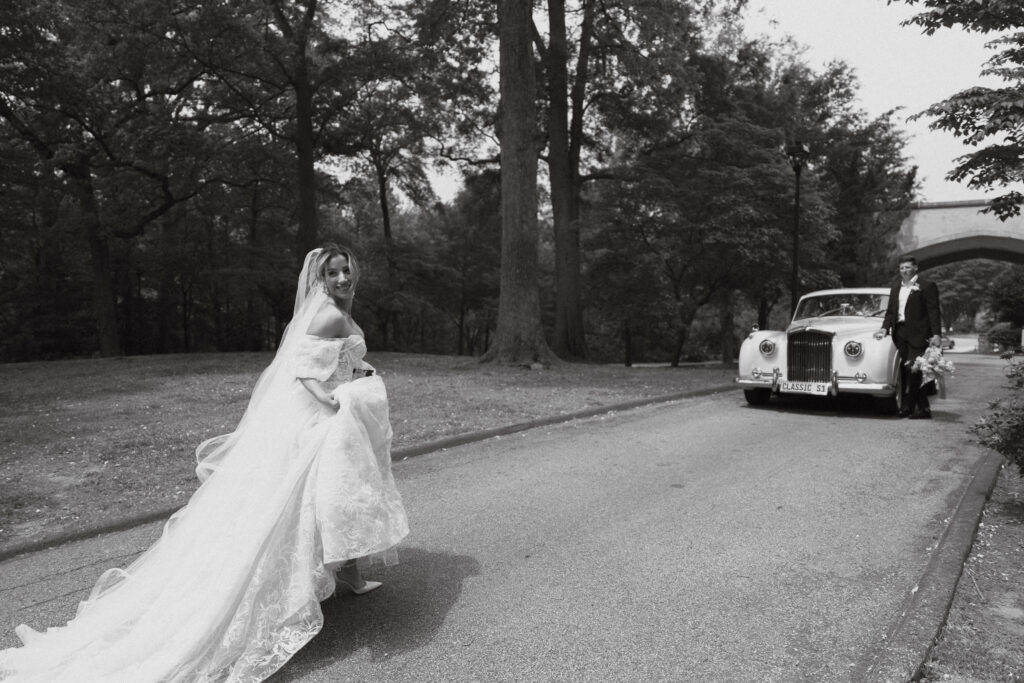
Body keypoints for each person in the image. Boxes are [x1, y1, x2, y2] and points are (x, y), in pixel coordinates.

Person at [0, 245, 409, 682]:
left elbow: (341, 360)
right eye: (334, 273)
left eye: (346, 270)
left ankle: (352, 574)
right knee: (308, 505)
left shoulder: (340, 310)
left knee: (342, 499)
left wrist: (360, 376)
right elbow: (302, 369)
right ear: (321, 279)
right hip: (321, 420)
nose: (343, 278)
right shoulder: (327, 313)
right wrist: (326, 399)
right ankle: (296, 585)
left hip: (343, 415)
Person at [874, 255, 942, 419]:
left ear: (915, 268)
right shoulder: (896, 287)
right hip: (900, 333)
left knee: (914, 369)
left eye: (907, 267)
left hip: (919, 334)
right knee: (907, 370)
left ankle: (909, 407)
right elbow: (891, 312)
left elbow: (933, 311)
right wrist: (884, 328)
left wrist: (936, 334)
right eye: (902, 268)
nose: (904, 271)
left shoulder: (926, 286)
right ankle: (923, 408)